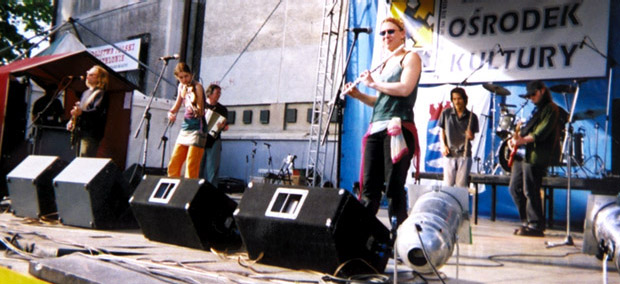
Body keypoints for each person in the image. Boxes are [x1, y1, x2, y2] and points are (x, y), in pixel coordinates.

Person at [343, 17, 422, 228]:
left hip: (398, 127)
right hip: (376, 127)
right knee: (368, 188)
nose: (386, 36)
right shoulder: (385, 63)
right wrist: (359, 94)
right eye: (383, 33)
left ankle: (399, 236)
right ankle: (363, 235)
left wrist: (374, 83)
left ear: (403, 33)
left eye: (391, 31)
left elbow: (405, 88)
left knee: (394, 187)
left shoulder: (410, 57)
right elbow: (381, 102)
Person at [508, 80, 563, 237]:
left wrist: (522, 141)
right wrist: (514, 141)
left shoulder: (551, 109)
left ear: (542, 91)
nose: (531, 98)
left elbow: (541, 133)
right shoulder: (535, 111)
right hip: (522, 155)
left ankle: (536, 225)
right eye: (529, 95)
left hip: (536, 156)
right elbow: (527, 131)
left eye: (533, 94)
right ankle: (527, 221)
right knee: (514, 188)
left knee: (530, 190)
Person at [167, 62, 206, 179]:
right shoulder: (181, 87)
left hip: (198, 128)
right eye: (181, 77)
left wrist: (194, 105)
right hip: (185, 127)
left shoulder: (198, 86)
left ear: (191, 75)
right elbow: (177, 106)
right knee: (174, 162)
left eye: (186, 76)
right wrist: (170, 113)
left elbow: (200, 110)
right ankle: (172, 189)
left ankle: (189, 193)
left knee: (191, 164)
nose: (184, 80)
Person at [438, 87, 479, 187]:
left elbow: (472, 137)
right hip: (449, 154)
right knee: (447, 186)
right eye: (454, 99)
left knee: (461, 187)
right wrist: (443, 145)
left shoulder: (472, 116)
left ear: (465, 99)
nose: (457, 101)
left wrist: (471, 136)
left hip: (464, 154)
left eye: (459, 98)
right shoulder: (446, 113)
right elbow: (442, 131)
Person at [66, 65, 109, 157]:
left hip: (91, 133)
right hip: (80, 131)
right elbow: (81, 110)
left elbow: (97, 112)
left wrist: (81, 113)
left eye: (91, 74)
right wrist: (72, 120)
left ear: (99, 78)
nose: (87, 76)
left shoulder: (101, 93)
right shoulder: (85, 93)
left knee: (85, 159)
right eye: (87, 73)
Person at [200, 84, 228, 186]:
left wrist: (222, 127)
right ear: (210, 94)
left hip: (214, 140)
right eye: (217, 93)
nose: (219, 95)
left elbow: (226, 127)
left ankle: (212, 191)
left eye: (220, 93)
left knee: (212, 169)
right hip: (201, 139)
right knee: (198, 166)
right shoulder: (202, 105)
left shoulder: (222, 109)